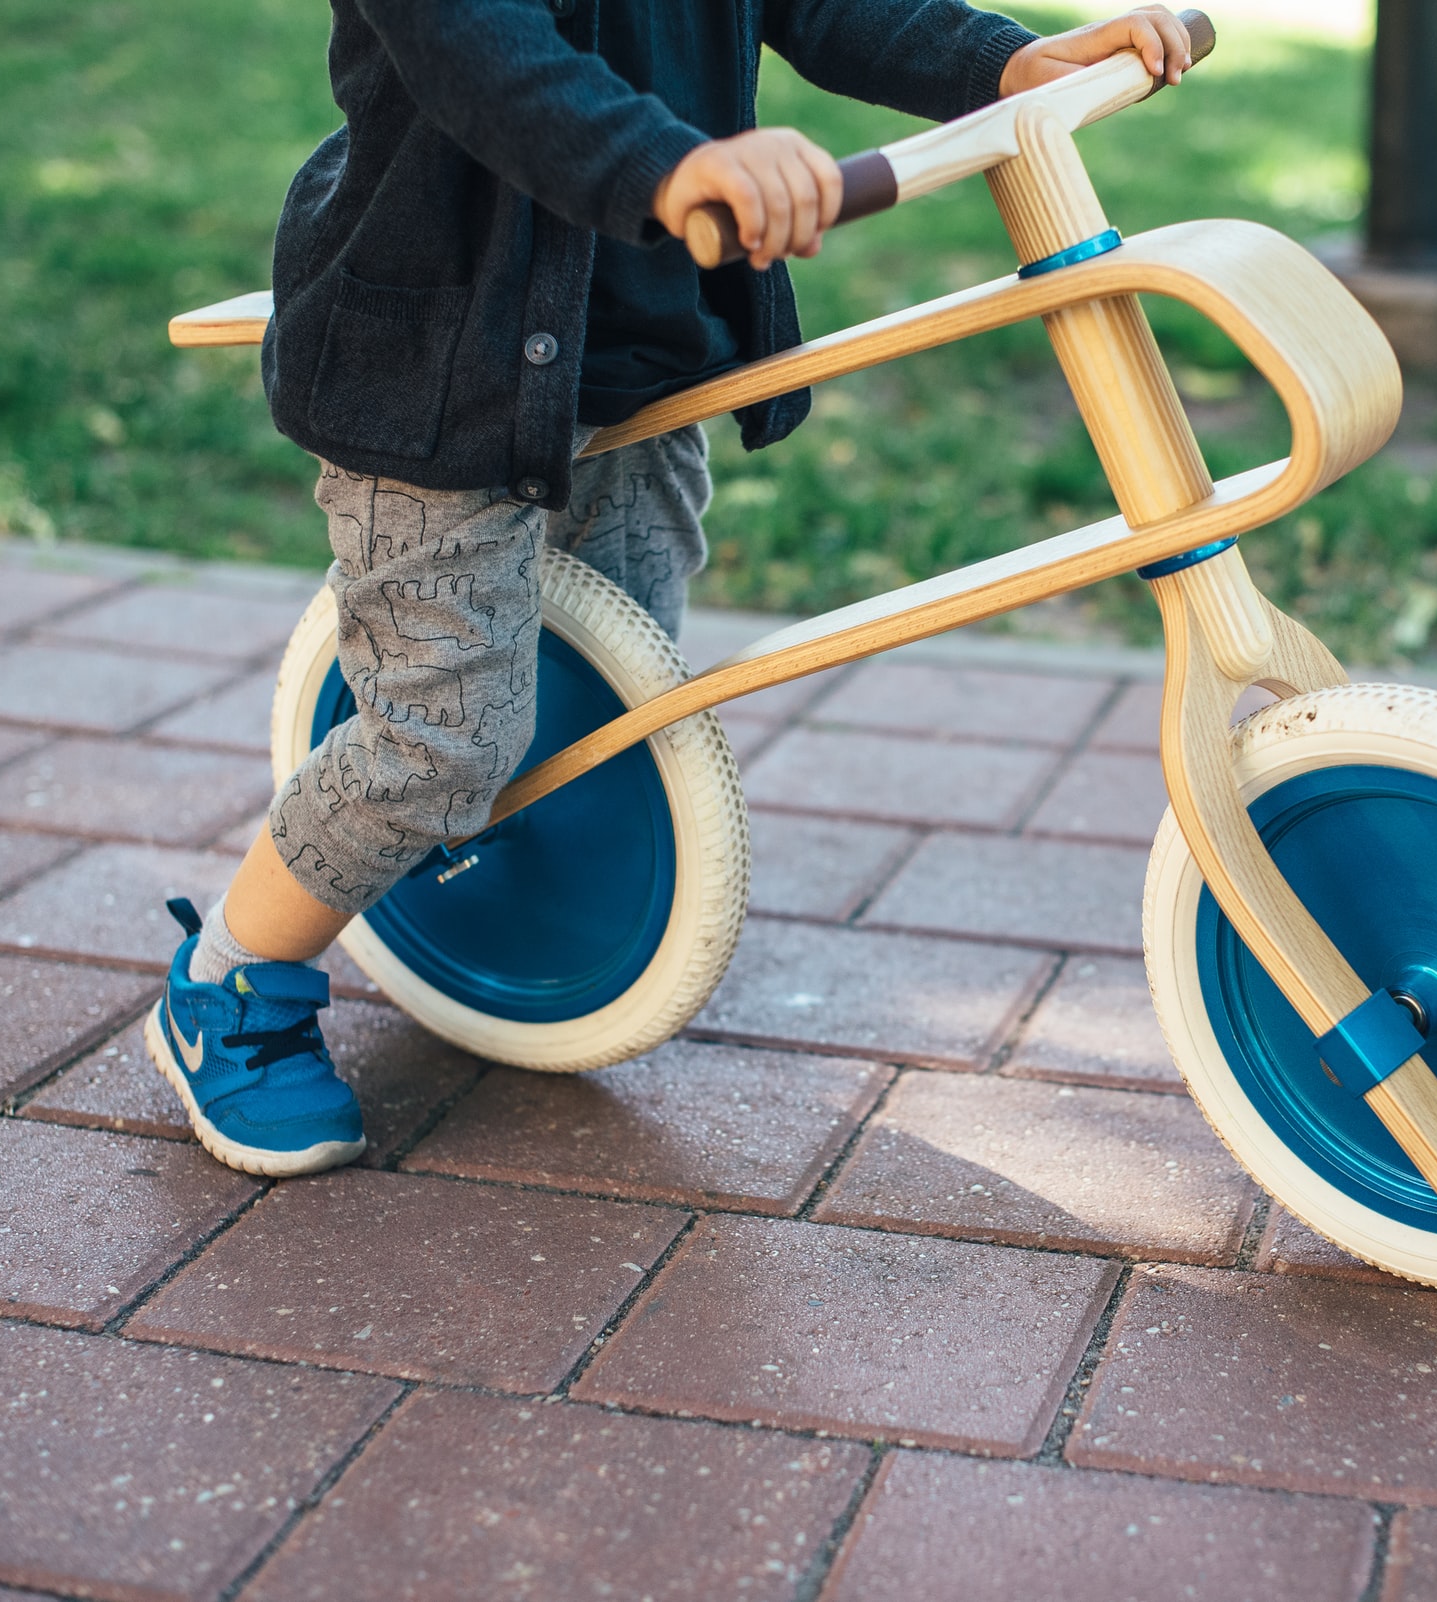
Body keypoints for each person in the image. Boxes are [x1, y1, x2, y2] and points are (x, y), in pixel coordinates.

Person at [147, 0, 1200, 1177]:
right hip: (438, 384)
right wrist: (684, 165)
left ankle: (522, 896)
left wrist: (998, 59)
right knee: (440, 740)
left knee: (610, 701)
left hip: (637, 361)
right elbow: (495, 66)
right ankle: (228, 980)